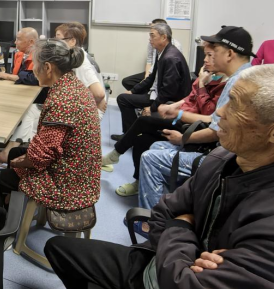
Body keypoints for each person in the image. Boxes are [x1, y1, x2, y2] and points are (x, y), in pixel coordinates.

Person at [35, 64, 274, 289]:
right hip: (156, 265)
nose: (220, 111)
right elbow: (162, 213)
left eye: (235, 104)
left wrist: (181, 225)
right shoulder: (220, 160)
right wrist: (187, 250)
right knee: (57, 247)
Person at [137, 26, 254, 211]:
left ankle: (153, 221)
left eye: (214, 51)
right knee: (157, 146)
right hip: (222, 153)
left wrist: (183, 138)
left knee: (150, 158)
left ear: (229, 54)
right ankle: (173, 207)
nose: (209, 58)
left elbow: (215, 130)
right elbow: (213, 119)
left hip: (221, 160)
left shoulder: (238, 83)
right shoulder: (246, 76)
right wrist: (178, 112)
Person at [102, 42, 227, 200]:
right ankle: (138, 182)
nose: (205, 60)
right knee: (141, 139)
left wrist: (200, 87)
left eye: (210, 55)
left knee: (143, 122)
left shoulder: (222, 84)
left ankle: (116, 153)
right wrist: (173, 106)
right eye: (206, 55)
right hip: (181, 117)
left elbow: (208, 113)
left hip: (190, 125)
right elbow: (189, 98)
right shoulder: (207, 74)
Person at [0, 40, 102, 216]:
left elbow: (41, 155)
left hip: (69, 183)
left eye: (35, 64)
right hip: (81, 170)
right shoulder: (72, 85)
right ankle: (12, 209)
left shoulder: (62, 100)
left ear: (47, 67)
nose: (33, 69)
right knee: (15, 153)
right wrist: (24, 158)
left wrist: (22, 162)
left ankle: (6, 224)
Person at [115, 23, 192, 136]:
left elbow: (168, 91)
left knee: (122, 99)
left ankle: (131, 135)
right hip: (157, 93)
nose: (150, 39)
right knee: (124, 97)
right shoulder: (162, 52)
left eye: (152, 35)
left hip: (170, 101)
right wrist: (132, 91)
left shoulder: (170, 57)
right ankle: (132, 134)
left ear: (164, 37)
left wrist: (152, 108)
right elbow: (151, 78)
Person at [0, 28, 40, 165]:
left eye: (19, 39)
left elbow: (33, 79)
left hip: (35, 99)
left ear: (31, 42)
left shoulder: (39, 57)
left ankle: (7, 151)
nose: (15, 42)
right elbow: (18, 77)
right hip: (18, 92)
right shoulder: (18, 54)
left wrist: (10, 76)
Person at [55, 23, 107, 117]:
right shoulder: (79, 55)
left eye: (58, 39)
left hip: (88, 114)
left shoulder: (81, 64)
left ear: (72, 41)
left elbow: (99, 94)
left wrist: (98, 103)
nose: (56, 43)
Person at [122, 19, 184, 91]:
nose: (151, 32)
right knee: (127, 82)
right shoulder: (152, 42)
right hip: (153, 72)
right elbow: (149, 60)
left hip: (163, 74)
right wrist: (146, 78)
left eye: (154, 29)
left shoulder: (175, 46)